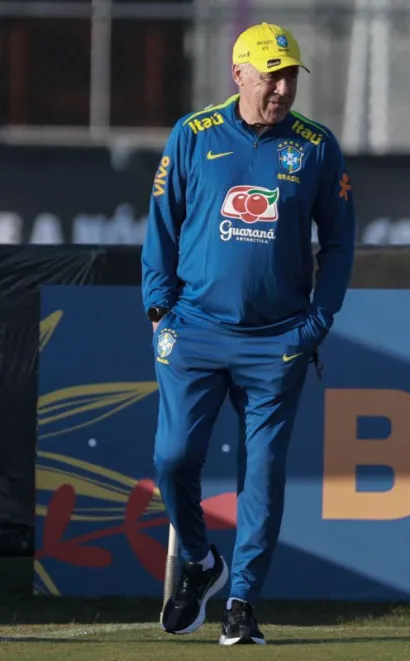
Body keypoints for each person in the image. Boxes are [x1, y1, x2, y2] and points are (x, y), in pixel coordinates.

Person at [141, 22, 355, 645]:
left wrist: (317, 323)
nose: (283, 87)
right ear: (238, 75)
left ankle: (242, 603)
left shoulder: (316, 146)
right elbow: (161, 224)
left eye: (290, 75)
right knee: (173, 457)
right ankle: (203, 564)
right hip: (196, 330)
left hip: (279, 338)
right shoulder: (193, 134)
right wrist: (160, 311)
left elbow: (338, 242)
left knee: (261, 473)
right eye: (271, 75)